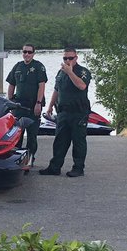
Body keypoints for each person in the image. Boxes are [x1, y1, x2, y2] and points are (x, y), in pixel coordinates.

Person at [39, 47, 92, 177]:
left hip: (78, 112)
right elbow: (57, 90)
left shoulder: (82, 71)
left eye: (70, 58)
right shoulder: (61, 72)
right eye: (65, 58)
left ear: (76, 58)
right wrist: (50, 106)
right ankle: (54, 167)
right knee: (60, 141)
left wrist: (70, 72)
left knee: (78, 141)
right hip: (63, 112)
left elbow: (82, 86)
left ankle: (78, 168)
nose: (68, 60)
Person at [5, 44, 48, 165]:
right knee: (16, 134)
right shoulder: (18, 66)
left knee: (31, 135)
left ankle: (29, 160)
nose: (27, 54)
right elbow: (11, 84)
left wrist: (38, 103)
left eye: (29, 52)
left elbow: (42, 85)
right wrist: (10, 101)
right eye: (25, 52)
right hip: (18, 106)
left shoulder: (38, 66)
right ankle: (15, 159)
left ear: (34, 53)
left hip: (32, 106)